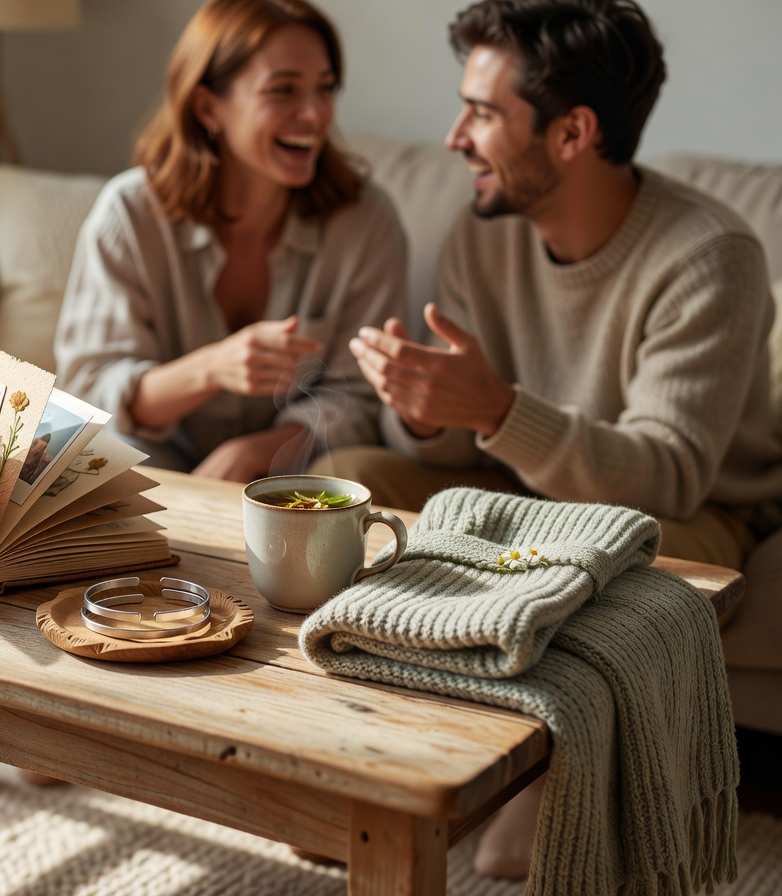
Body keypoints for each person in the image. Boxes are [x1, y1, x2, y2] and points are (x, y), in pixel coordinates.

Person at [311, 0, 782, 878]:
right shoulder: (483, 233)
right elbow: (455, 456)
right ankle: (343, 751)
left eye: (483, 113)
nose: (455, 136)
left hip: (691, 516)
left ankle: (547, 781)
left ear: (573, 133)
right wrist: (424, 408)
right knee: (342, 482)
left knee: (598, 563)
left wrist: (494, 411)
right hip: (520, 496)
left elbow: (671, 476)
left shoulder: (711, 253)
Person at [55, 0, 407, 484]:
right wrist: (212, 369)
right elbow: (91, 391)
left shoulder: (365, 221)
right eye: (283, 90)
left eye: (325, 89)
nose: (315, 114)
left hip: (293, 468)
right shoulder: (130, 215)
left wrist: (256, 452)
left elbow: (362, 398)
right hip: (157, 456)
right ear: (208, 107)